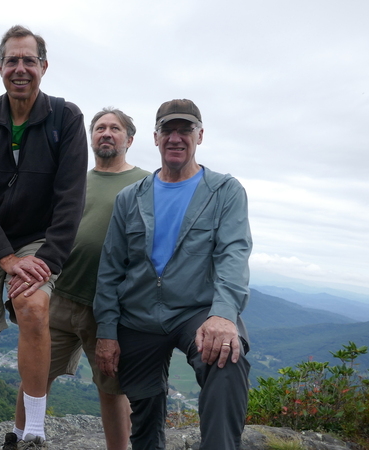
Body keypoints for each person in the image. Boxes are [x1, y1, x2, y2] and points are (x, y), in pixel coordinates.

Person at [0, 25, 88, 450]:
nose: (20, 68)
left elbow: (71, 199)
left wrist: (45, 257)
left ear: (43, 67)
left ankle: (33, 433)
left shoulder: (66, 119)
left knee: (32, 308)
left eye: (29, 60)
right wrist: (5, 259)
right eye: (12, 60)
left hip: (37, 238)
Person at [94, 99, 252, 449]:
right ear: (155, 137)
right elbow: (110, 269)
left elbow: (234, 255)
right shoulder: (129, 198)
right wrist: (106, 331)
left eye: (185, 130)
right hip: (139, 314)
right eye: (168, 130)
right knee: (146, 410)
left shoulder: (224, 191)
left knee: (227, 355)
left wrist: (224, 315)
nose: (176, 138)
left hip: (195, 310)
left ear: (200, 135)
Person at [12, 108, 149, 450]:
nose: (106, 133)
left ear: (129, 139)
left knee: (111, 386)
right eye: (100, 128)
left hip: (108, 306)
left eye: (114, 128)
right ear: (90, 138)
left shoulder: (146, 184)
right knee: (34, 377)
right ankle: (17, 440)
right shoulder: (74, 180)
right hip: (59, 294)